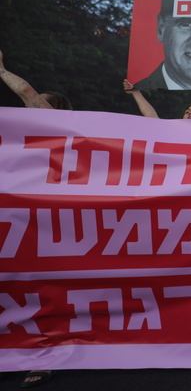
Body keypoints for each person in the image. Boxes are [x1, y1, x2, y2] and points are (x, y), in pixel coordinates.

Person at [0, 50, 62, 388]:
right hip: (20, 217)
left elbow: (27, 94)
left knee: (43, 289)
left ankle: (47, 354)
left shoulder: (56, 125)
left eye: (44, 101)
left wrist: (1, 71)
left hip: (45, 220)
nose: (32, 104)